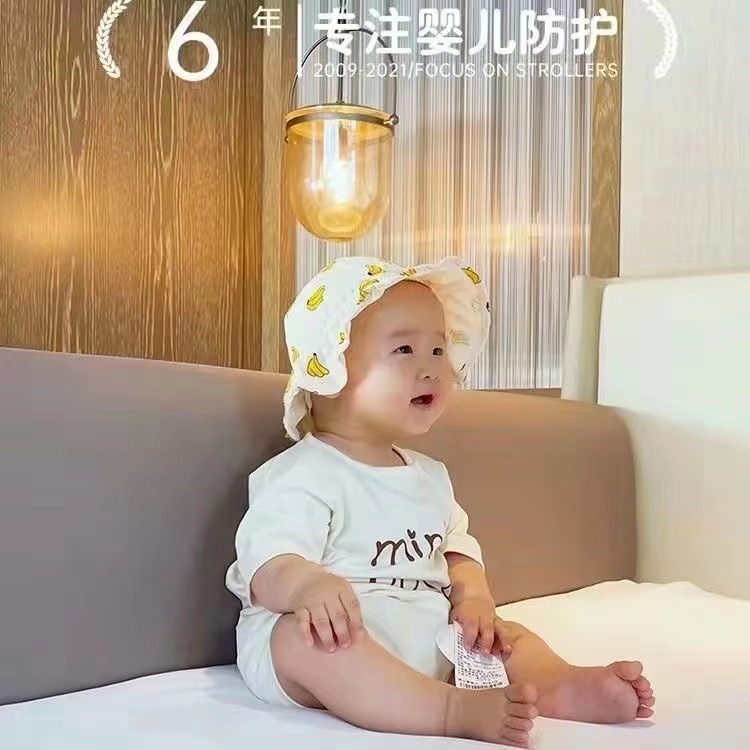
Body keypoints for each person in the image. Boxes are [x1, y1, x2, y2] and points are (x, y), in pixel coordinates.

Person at [226, 257, 655, 747]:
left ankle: (562, 684)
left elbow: (457, 552)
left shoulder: (430, 477)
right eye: (404, 349)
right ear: (331, 369)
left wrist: (475, 600)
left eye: (438, 349)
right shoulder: (304, 473)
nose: (432, 366)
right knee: (305, 644)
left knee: (504, 636)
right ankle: (451, 710)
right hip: (336, 635)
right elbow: (267, 564)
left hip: (426, 634)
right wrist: (306, 585)